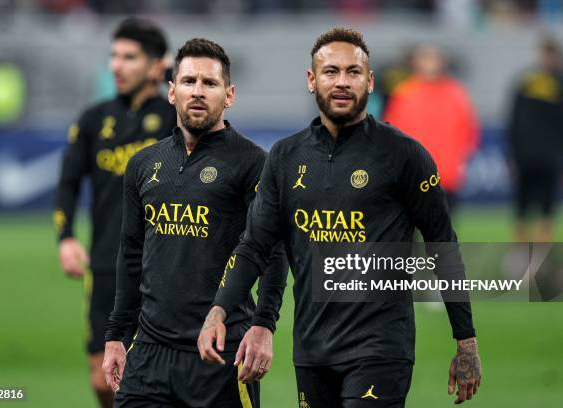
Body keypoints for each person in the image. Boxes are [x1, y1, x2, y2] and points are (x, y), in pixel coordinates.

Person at [198, 27, 483, 407]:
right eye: (331, 72)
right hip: (312, 350)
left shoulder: (404, 155)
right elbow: (254, 247)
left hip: (380, 348)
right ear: (312, 81)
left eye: (353, 72)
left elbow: (442, 246)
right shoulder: (286, 157)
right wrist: (219, 310)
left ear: (370, 81)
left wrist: (466, 343)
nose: (342, 82)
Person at [102, 38, 287, 408]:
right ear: (172, 92)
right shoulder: (142, 165)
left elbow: (273, 252)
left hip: (220, 352)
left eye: (209, 83)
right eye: (188, 82)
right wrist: (116, 334)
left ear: (229, 95)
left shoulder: (253, 163)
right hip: (149, 355)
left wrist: (263, 325)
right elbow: (131, 255)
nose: (198, 92)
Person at [53, 18, 176, 408]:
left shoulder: (177, 117)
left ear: (157, 66)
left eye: (129, 57)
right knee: (102, 379)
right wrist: (67, 237)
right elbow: (68, 182)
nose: (116, 66)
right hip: (106, 263)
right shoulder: (93, 119)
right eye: (114, 56)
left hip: (166, 264)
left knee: (154, 376)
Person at [383, 45, 479, 212]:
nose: (430, 64)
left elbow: (469, 130)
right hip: (411, 174)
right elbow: (390, 133)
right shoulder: (404, 93)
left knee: (441, 231)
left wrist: (460, 159)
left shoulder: (455, 94)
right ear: (416, 64)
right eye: (425, 59)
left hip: (445, 175)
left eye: (433, 59)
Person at [507, 36, 563, 242]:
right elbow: (513, 120)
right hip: (527, 154)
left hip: (548, 156)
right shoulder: (525, 82)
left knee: (545, 206)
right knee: (523, 205)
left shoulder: (549, 82)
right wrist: (512, 153)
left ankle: (540, 256)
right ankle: (523, 252)